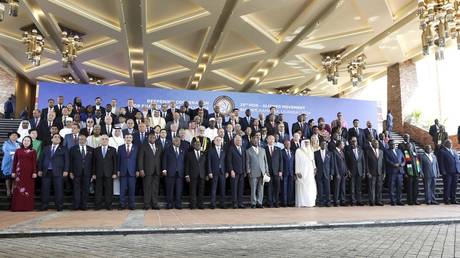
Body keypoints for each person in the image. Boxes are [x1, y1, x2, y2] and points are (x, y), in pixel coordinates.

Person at [38, 133, 69, 211]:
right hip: (46, 172)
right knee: (45, 189)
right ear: (52, 139)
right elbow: (41, 160)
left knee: (59, 190)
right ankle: (44, 206)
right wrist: (39, 170)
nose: (57, 138)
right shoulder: (46, 148)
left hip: (58, 172)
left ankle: (59, 206)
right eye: (55, 137)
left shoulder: (64, 148)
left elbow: (67, 160)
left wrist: (66, 170)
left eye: (58, 137)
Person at [10, 136, 37, 211]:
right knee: (18, 189)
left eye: (28, 140)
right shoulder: (18, 150)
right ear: (22, 141)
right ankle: (17, 207)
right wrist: (13, 172)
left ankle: (27, 207)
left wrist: (34, 172)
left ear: (31, 142)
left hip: (29, 174)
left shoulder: (33, 151)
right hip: (19, 173)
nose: (26, 142)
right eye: (25, 140)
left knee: (28, 189)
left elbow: (34, 163)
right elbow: (14, 162)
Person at [138, 133, 162, 210]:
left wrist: (161, 169)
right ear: (148, 138)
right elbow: (140, 159)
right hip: (147, 170)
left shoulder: (159, 146)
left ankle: (155, 204)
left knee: (155, 188)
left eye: (154, 137)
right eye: (151, 137)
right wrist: (141, 169)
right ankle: (147, 204)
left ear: (156, 138)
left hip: (157, 171)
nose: (152, 138)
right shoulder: (143, 146)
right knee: (147, 188)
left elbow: (160, 159)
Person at [93, 135, 117, 210]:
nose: (104, 140)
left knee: (109, 190)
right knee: (98, 190)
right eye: (103, 139)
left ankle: (109, 205)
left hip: (109, 173)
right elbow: (94, 163)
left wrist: (114, 173)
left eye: (106, 139)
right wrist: (93, 173)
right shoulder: (96, 150)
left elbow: (115, 162)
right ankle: (98, 205)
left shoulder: (113, 149)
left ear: (108, 140)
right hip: (98, 173)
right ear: (100, 140)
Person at [69, 134, 93, 210]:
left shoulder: (91, 149)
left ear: (86, 140)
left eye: (83, 139)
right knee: (76, 189)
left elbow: (93, 163)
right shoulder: (73, 149)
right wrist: (71, 172)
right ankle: (76, 205)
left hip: (87, 173)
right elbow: (70, 161)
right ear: (78, 140)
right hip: (76, 173)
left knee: (86, 189)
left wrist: (93, 173)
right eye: (80, 139)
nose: (81, 141)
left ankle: (84, 205)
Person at [162, 136, 186, 209]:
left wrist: (185, 172)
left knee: (179, 189)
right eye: (176, 141)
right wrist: (164, 169)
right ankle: (169, 204)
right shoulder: (167, 149)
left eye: (179, 141)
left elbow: (185, 161)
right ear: (173, 141)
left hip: (180, 173)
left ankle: (178, 204)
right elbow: (164, 160)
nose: (178, 142)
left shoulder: (183, 150)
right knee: (170, 189)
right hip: (170, 172)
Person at [246, 136, 269, 208]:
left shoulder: (263, 150)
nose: (256, 142)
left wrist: (266, 171)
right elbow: (247, 162)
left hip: (262, 172)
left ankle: (259, 202)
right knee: (253, 189)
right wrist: (248, 171)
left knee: (261, 189)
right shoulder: (248, 151)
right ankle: (253, 203)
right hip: (253, 172)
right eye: (254, 141)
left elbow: (265, 161)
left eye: (257, 141)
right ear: (251, 142)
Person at [117, 134, 139, 210]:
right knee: (122, 189)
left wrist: (137, 170)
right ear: (124, 139)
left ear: (132, 139)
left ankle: (131, 204)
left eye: (130, 137)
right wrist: (118, 170)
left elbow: (137, 160)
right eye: (127, 137)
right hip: (123, 171)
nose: (128, 139)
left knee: (132, 189)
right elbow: (118, 160)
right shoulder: (120, 148)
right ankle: (122, 204)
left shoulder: (136, 147)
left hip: (132, 171)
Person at [398, 134, 420, 205]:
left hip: (416, 170)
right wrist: (405, 173)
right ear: (403, 138)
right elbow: (402, 158)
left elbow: (417, 158)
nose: (407, 138)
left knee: (416, 187)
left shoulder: (414, 152)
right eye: (405, 137)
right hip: (408, 170)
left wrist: (419, 170)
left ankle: (415, 200)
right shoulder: (401, 146)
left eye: (408, 137)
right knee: (409, 187)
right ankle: (410, 200)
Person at [294, 139, 317, 207]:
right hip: (302, 171)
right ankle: (302, 203)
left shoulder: (311, 150)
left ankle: (310, 202)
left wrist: (314, 168)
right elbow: (297, 162)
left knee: (310, 187)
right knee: (302, 186)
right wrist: (297, 171)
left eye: (308, 142)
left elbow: (313, 160)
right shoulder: (298, 151)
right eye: (306, 142)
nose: (307, 144)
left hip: (310, 171)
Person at [185, 141, 207, 209]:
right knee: (192, 190)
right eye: (196, 144)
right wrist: (187, 175)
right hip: (192, 175)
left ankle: (200, 204)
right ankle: (193, 205)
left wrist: (206, 175)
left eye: (199, 144)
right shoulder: (189, 154)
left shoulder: (203, 154)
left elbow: (205, 165)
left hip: (202, 175)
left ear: (201, 146)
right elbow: (187, 165)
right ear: (193, 146)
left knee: (201, 190)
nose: (198, 145)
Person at [345, 136, 366, 206]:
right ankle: (353, 201)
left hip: (359, 171)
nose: (354, 142)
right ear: (351, 142)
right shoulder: (348, 151)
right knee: (352, 187)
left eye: (355, 141)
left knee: (359, 188)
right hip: (352, 172)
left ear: (357, 142)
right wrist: (348, 171)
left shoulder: (361, 150)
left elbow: (363, 162)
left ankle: (359, 200)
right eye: (353, 141)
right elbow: (346, 163)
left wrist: (363, 172)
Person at [438, 139, 460, 205]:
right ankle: (446, 200)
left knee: (454, 186)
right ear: (445, 144)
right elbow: (441, 162)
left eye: (451, 143)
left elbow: (457, 161)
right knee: (447, 186)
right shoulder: (442, 151)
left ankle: (453, 199)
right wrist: (443, 171)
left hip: (455, 171)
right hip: (447, 172)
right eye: (449, 143)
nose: (451, 144)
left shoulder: (454, 151)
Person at [227, 135, 246, 209]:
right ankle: (234, 203)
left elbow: (244, 160)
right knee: (234, 188)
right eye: (238, 140)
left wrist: (244, 170)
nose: (239, 141)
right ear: (235, 141)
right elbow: (229, 161)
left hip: (242, 171)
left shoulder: (243, 148)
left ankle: (240, 203)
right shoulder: (231, 149)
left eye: (240, 140)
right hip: (234, 172)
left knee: (241, 188)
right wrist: (231, 170)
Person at [208, 136, 227, 209]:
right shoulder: (211, 150)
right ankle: (213, 203)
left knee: (222, 188)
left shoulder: (223, 150)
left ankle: (222, 204)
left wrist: (227, 171)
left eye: (220, 140)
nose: (218, 141)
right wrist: (209, 172)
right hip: (214, 172)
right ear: (214, 141)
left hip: (222, 172)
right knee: (213, 188)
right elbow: (209, 162)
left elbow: (225, 161)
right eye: (217, 140)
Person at [365, 139, 385, 206]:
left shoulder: (381, 151)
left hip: (379, 173)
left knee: (379, 188)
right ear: (372, 144)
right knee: (372, 188)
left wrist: (384, 173)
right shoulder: (368, 152)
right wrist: (368, 172)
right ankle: (372, 201)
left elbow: (383, 163)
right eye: (375, 143)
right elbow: (366, 163)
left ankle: (378, 201)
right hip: (371, 173)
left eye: (377, 143)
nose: (377, 144)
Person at [385, 139, 405, 206]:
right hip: (392, 171)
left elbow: (403, 159)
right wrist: (393, 164)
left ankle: (399, 200)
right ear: (389, 145)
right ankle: (392, 201)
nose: (393, 145)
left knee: (399, 187)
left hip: (400, 172)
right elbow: (386, 160)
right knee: (391, 187)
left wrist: (402, 164)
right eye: (391, 144)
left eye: (393, 144)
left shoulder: (399, 150)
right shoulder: (386, 151)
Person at [264, 135, 283, 208]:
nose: (271, 140)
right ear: (267, 140)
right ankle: (270, 202)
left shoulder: (278, 149)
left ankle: (276, 202)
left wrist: (280, 170)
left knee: (277, 188)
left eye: (273, 139)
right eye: (270, 139)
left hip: (277, 172)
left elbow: (281, 161)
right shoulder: (264, 149)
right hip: (268, 172)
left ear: (274, 140)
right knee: (269, 187)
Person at [2, 132, 20, 197]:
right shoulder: (6, 143)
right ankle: (8, 189)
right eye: (13, 135)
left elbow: (19, 152)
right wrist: (14, 152)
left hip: (16, 162)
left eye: (16, 135)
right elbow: (5, 150)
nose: (14, 136)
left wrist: (14, 153)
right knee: (7, 177)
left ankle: (13, 189)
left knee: (14, 176)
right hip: (7, 161)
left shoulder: (18, 144)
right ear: (9, 136)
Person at [314, 140, 332, 207]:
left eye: (325, 144)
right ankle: (321, 202)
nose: (323, 145)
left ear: (326, 145)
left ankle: (328, 202)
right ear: (320, 145)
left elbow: (331, 164)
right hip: (319, 173)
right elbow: (315, 164)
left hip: (327, 173)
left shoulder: (329, 153)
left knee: (328, 189)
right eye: (322, 144)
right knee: (320, 189)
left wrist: (331, 173)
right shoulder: (315, 153)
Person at [331, 140, 347, 206]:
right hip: (338, 173)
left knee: (342, 187)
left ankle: (342, 201)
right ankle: (336, 201)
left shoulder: (342, 152)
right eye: (343, 144)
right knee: (337, 188)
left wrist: (346, 171)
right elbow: (334, 164)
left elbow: (344, 162)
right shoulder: (334, 152)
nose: (344, 145)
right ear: (339, 145)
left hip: (343, 172)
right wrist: (336, 173)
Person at [108, 127, 124, 195]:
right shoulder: (110, 139)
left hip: (121, 160)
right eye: (116, 131)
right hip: (111, 160)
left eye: (118, 131)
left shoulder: (123, 139)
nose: (117, 132)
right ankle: (112, 192)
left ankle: (118, 192)